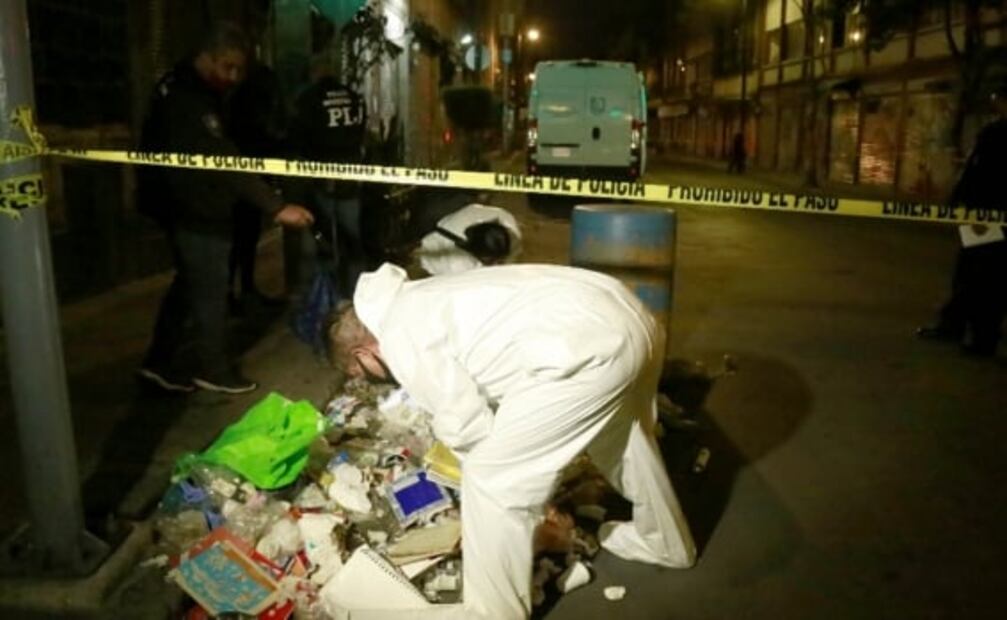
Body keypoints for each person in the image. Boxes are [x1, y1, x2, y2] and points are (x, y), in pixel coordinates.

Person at [325, 263, 696, 619]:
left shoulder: (397, 336)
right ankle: (665, 541)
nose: (370, 378)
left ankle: (493, 613)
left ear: (363, 352)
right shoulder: (419, 297)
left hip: (590, 353)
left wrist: (487, 479)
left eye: (360, 372)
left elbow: (470, 426)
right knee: (623, 435)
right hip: (631, 319)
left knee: (491, 481)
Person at [136, 22, 314, 394]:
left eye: (238, 69)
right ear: (207, 57)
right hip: (194, 210)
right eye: (227, 67)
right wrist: (276, 206)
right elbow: (220, 158)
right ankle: (213, 369)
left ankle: (158, 362)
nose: (232, 77)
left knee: (187, 286)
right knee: (210, 291)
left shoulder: (186, 87)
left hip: (181, 204)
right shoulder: (188, 99)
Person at [916, 84, 1007, 357]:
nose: (995, 103)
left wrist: (961, 200)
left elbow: (979, 172)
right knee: (972, 272)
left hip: (988, 216)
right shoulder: (994, 130)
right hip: (982, 215)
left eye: (998, 98)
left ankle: (981, 337)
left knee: (985, 277)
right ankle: (957, 325)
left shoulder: (996, 134)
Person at [287, 65, 369, 301]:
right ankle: (356, 295)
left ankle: (326, 297)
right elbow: (361, 132)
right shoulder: (354, 97)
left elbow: (299, 137)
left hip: (321, 178)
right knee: (352, 239)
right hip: (350, 177)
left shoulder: (309, 99)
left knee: (323, 238)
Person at [227, 61, 288, 314]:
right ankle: (233, 294)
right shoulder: (246, 113)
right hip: (242, 187)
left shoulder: (240, 108)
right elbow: (261, 143)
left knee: (245, 241)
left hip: (248, 185)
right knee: (240, 241)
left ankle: (244, 290)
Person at [414, 203, 522, 276]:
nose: (496, 264)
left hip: (455, 219)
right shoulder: (455, 265)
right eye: (490, 261)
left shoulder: (506, 220)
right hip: (434, 256)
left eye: (500, 260)